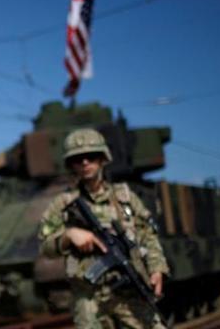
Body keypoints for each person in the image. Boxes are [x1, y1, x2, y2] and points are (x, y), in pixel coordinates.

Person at [38, 128, 169, 329]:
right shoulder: (63, 203)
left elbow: (148, 235)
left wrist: (157, 268)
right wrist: (68, 235)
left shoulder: (125, 197)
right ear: (70, 164)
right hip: (89, 298)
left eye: (91, 157)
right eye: (77, 159)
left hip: (129, 289)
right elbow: (44, 246)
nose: (85, 163)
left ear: (102, 159)